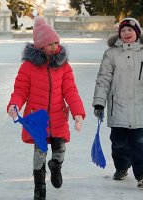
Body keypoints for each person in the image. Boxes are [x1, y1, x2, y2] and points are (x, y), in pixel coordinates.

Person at [7, 16, 86, 200]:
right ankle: (39, 187)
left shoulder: (63, 66)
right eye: (50, 43)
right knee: (40, 153)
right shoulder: (28, 67)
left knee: (60, 150)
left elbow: (71, 91)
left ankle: (56, 167)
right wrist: (14, 105)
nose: (54, 46)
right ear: (40, 45)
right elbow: (20, 91)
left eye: (56, 42)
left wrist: (78, 113)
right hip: (37, 118)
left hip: (58, 117)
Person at [92, 17, 143, 189]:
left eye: (130, 30)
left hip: (139, 109)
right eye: (123, 30)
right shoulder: (111, 54)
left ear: (137, 33)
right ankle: (121, 167)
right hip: (117, 108)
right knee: (119, 143)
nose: (126, 33)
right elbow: (103, 79)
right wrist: (99, 103)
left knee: (139, 142)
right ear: (119, 34)